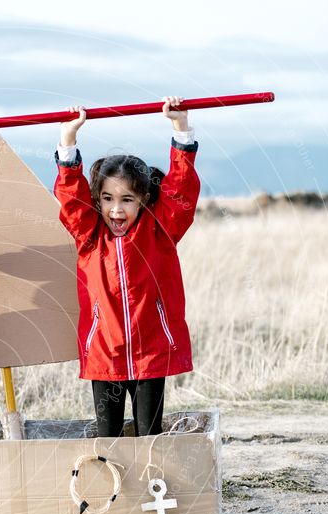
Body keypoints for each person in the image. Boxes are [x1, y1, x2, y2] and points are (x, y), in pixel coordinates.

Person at [54, 96, 200, 437]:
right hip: (106, 354)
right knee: (110, 437)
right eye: (107, 199)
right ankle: (113, 487)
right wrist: (68, 141)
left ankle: (151, 488)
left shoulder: (159, 232)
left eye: (127, 200)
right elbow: (70, 199)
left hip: (151, 353)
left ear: (144, 200)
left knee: (149, 435)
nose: (116, 210)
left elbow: (181, 193)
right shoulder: (89, 236)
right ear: (97, 200)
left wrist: (180, 130)